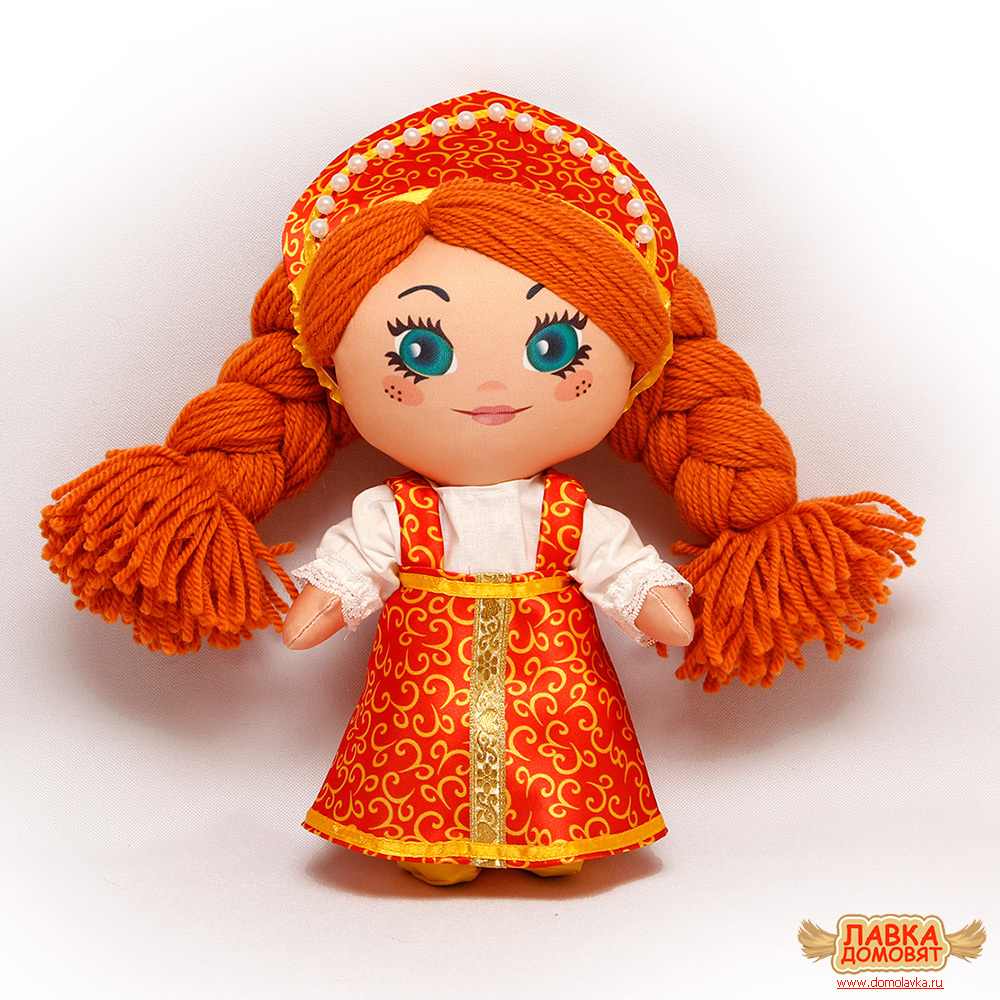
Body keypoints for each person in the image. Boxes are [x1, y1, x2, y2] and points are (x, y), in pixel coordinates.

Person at [41, 92, 922, 886]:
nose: (495, 387)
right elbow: (356, 565)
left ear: (638, 373)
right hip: (424, 674)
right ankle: (435, 843)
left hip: (555, 672)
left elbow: (619, 566)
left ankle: (559, 832)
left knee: (560, 739)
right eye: (420, 350)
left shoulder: (572, 514)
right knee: (424, 747)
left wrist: (659, 604)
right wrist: (320, 604)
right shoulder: (395, 512)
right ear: (331, 376)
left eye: (553, 348)